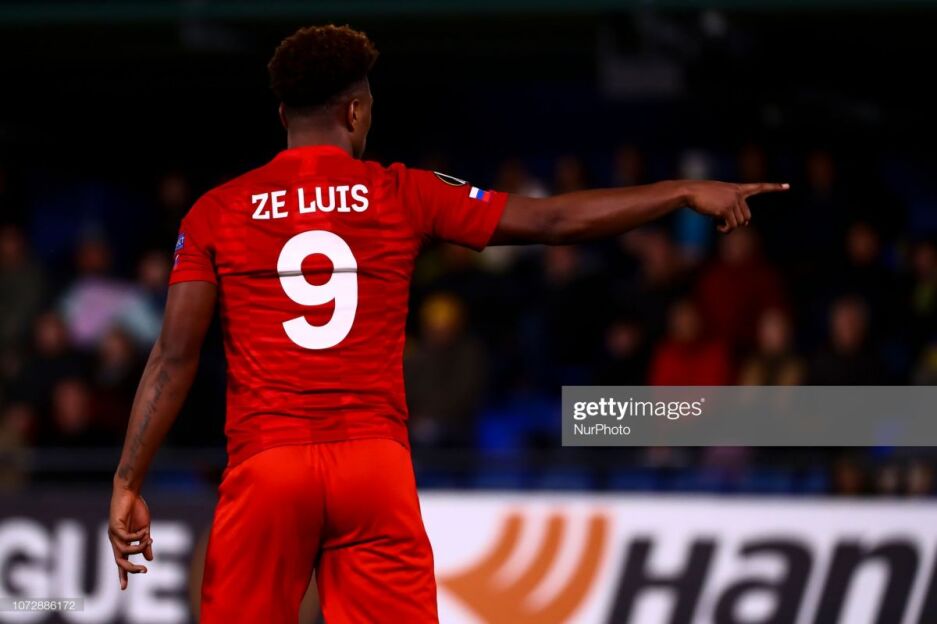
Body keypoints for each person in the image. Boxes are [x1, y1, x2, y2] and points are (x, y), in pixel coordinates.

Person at [107, 24, 788, 624]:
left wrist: (127, 481)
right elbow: (553, 219)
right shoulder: (403, 191)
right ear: (355, 111)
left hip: (267, 467)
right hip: (373, 469)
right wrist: (679, 190)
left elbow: (173, 357)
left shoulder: (216, 211)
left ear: (284, 114)